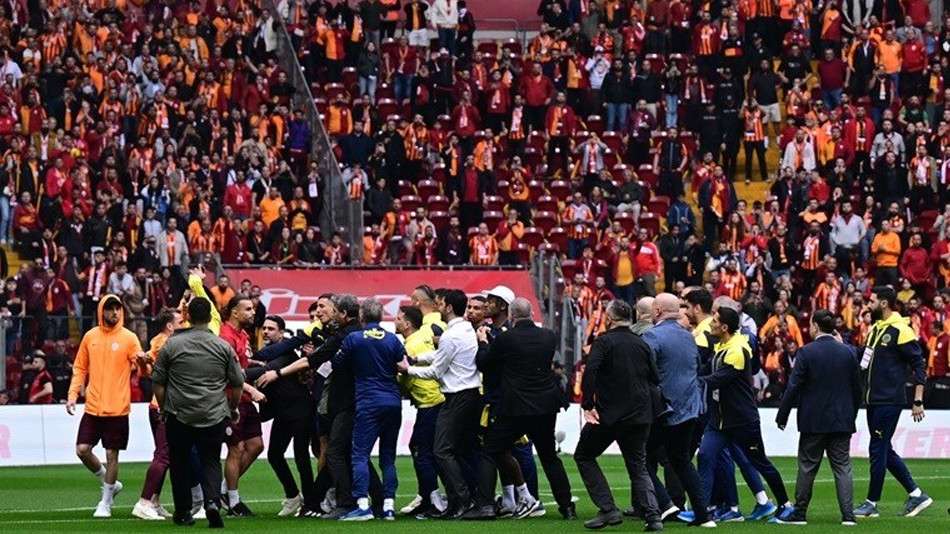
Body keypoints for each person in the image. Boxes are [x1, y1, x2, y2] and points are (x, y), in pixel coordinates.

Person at [464, 297, 574, 520]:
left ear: (512, 316)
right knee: (549, 457)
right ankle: (567, 507)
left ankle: (496, 502)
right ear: (531, 313)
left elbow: (484, 364)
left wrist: (483, 342)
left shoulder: (506, 338)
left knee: (492, 449)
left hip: (516, 406)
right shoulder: (548, 336)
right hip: (545, 405)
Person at [152, 297, 245, 528]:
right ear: (210, 317)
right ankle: (212, 502)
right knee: (211, 460)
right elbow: (237, 383)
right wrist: (233, 408)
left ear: (188, 317)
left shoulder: (171, 345)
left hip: (179, 413)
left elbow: (158, 382)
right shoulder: (223, 346)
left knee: (180, 462)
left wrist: (163, 408)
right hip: (213, 413)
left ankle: (183, 512)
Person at [574, 299, 663, 531]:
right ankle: (653, 516)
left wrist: (587, 403)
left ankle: (608, 508)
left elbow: (591, 370)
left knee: (584, 455)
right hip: (640, 414)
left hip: (610, 413)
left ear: (610, 318)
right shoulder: (641, 343)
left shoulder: (604, 341)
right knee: (638, 466)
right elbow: (655, 377)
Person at [696, 307, 791, 521]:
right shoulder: (723, 345)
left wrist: (693, 382)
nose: (711, 324)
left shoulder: (737, 350)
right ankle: (701, 511)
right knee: (705, 455)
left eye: (715, 321)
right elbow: (709, 372)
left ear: (724, 327)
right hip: (720, 420)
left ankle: (785, 504)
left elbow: (719, 379)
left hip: (742, 420)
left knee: (759, 462)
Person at [774, 310, 861, 526]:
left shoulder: (806, 352)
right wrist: (851, 414)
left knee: (807, 467)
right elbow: (857, 388)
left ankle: (800, 513)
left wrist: (782, 415)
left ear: (815, 326)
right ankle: (848, 515)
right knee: (842, 467)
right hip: (841, 419)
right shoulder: (848, 352)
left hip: (813, 420)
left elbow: (793, 386)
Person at [400, 289, 481, 519]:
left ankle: (460, 501)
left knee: (441, 450)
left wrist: (408, 369)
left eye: (441, 303)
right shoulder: (465, 330)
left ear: (449, 307)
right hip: (470, 394)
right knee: (461, 450)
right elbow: (441, 356)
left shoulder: (450, 335)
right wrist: (418, 358)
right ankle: (470, 498)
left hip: (456, 397)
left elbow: (436, 371)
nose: (437, 306)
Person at [854, 286, 932, 518]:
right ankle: (916, 494)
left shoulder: (902, 330)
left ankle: (871, 503)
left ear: (884, 303)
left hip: (889, 400)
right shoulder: (875, 329)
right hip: (873, 399)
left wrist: (918, 400)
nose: (868, 305)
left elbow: (919, 365)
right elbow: (864, 359)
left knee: (877, 449)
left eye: (872, 301)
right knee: (884, 448)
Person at [66, 294, 148, 518]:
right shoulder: (90, 336)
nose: (114, 312)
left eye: (117, 308)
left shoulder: (129, 338)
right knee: (82, 450)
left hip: (117, 408)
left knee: (112, 454)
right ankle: (109, 482)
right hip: (93, 406)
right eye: (110, 308)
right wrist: (73, 394)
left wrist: (143, 362)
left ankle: (105, 502)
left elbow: (144, 371)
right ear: (101, 311)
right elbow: (80, 367)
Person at [642, 293, 714, 527]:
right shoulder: (689, 337)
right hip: (690, 408)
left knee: (641, 459)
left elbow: (645, 370)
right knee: (681, 460)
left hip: (664, 410)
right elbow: (695, 367)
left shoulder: (652, 336)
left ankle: (665, 504)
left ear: (658, 311)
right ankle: (703, 515)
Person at [336, 299, 405, 520]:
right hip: (393, 401)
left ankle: (363, 505)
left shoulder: (354, 338)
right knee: (388, 457)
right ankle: (389, 506)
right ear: (381, 316)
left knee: (359, 454)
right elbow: (402, 364)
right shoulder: (392, 339)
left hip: (368, 401)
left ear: (361, 316)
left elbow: (338, 363)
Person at [251, 315, 317, 518]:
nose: (266, 332)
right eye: (264, 328)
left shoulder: (287, 353)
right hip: (283, 413)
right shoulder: (270, 353)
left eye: (271, 329)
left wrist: (236, 372)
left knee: (301, 456)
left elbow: (265, 371)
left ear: (281, 332)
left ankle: (310, 503)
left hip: (301, 411)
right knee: (274, 455)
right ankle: (293, 496)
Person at [395, 305, 447, 517]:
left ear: (407, 324)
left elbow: (405, 378)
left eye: (399, 318)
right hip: (437, 400)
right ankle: (429, 497)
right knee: (429, 450)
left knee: (422, 450)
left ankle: (435, 500)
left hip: (430, 403)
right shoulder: (421, 338)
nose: (395, 321)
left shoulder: (411, 346)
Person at [134, 307, 185, 521]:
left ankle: (154, 501)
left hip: (160, 405)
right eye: (181, 322)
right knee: (163, 456)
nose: (185, 325)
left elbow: (147, 370)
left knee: (166, 455)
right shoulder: (165, 342)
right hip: (164, 407)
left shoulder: (160, 340)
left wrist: (145, 360)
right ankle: (143, 502)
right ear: (170, 326)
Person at [218, 295, 266, 516]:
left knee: (256, 445)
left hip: (244, 399)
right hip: (230, 401)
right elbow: (228, 374)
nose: (252, 312)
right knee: (235, 449)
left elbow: (241, 364)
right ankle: (234, 500)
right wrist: (252, 390)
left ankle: (224, 490)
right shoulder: (225, 337)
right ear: (234, 312)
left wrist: (258, 364)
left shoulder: (243, 334)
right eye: (247, 309)